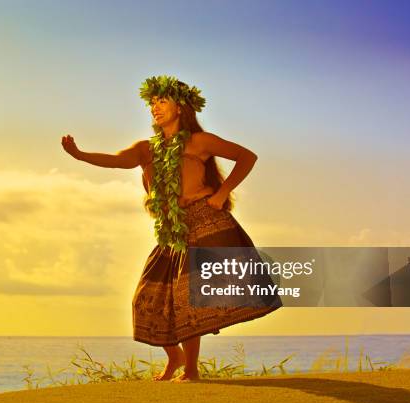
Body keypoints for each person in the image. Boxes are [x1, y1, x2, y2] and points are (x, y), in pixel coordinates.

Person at [61, 75, 282, 382]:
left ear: (181, 107)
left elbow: (247, 157)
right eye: (152, 102)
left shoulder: (199, 142)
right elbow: (115, 160)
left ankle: (191, 369)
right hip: (170, 232)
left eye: (162, 101)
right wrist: (79, 154)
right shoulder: (145, 149)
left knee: (188, 299)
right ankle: (175, 356)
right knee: (146, 298)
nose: (155, 107)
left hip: (205, 222)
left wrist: (221, 193)